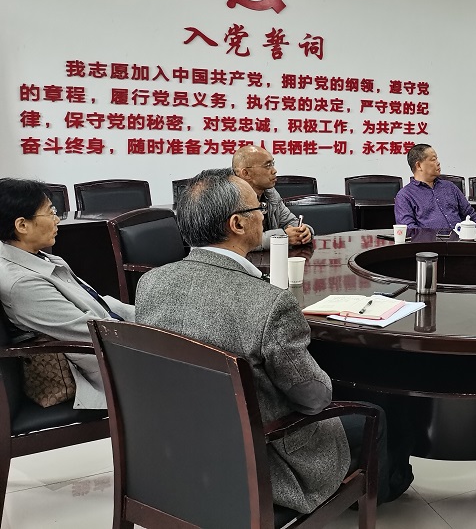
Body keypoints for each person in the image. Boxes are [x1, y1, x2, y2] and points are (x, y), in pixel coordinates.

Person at [135, 169, 412, 514]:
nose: (264, 216)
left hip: (177, 448)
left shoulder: (151, 283)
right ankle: (377, 494)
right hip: (263, 460)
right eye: (258, 209)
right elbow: (314, 399)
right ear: (237, 224)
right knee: (375, 413)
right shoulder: (269, 303)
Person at [0, 178, 134, 409]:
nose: (57, 219)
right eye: (51, 213)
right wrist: (153, 335)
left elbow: (97, 302)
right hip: (101, 369)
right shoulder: (23, 284)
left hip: (110, 344)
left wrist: (149, 315)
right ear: (22, 225)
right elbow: (90, 331)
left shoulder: (38, 257)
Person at [231, 145, 312, 248]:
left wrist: (304, 232)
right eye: (267, 165)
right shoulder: (228, 198)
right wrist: (281, 238)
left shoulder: (270, 193)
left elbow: (290, 222)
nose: (274, 171)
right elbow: (236, 242)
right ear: (246, 173)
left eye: (272, 164)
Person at [394, 143, 476, 230]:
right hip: (429, 240)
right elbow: (409, 229)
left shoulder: (449, 187)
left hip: (459, 238)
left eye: (437, 159)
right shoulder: (405, 195)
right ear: (418, 165)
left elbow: (470, 214)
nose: (438, 163)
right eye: (433, 159)